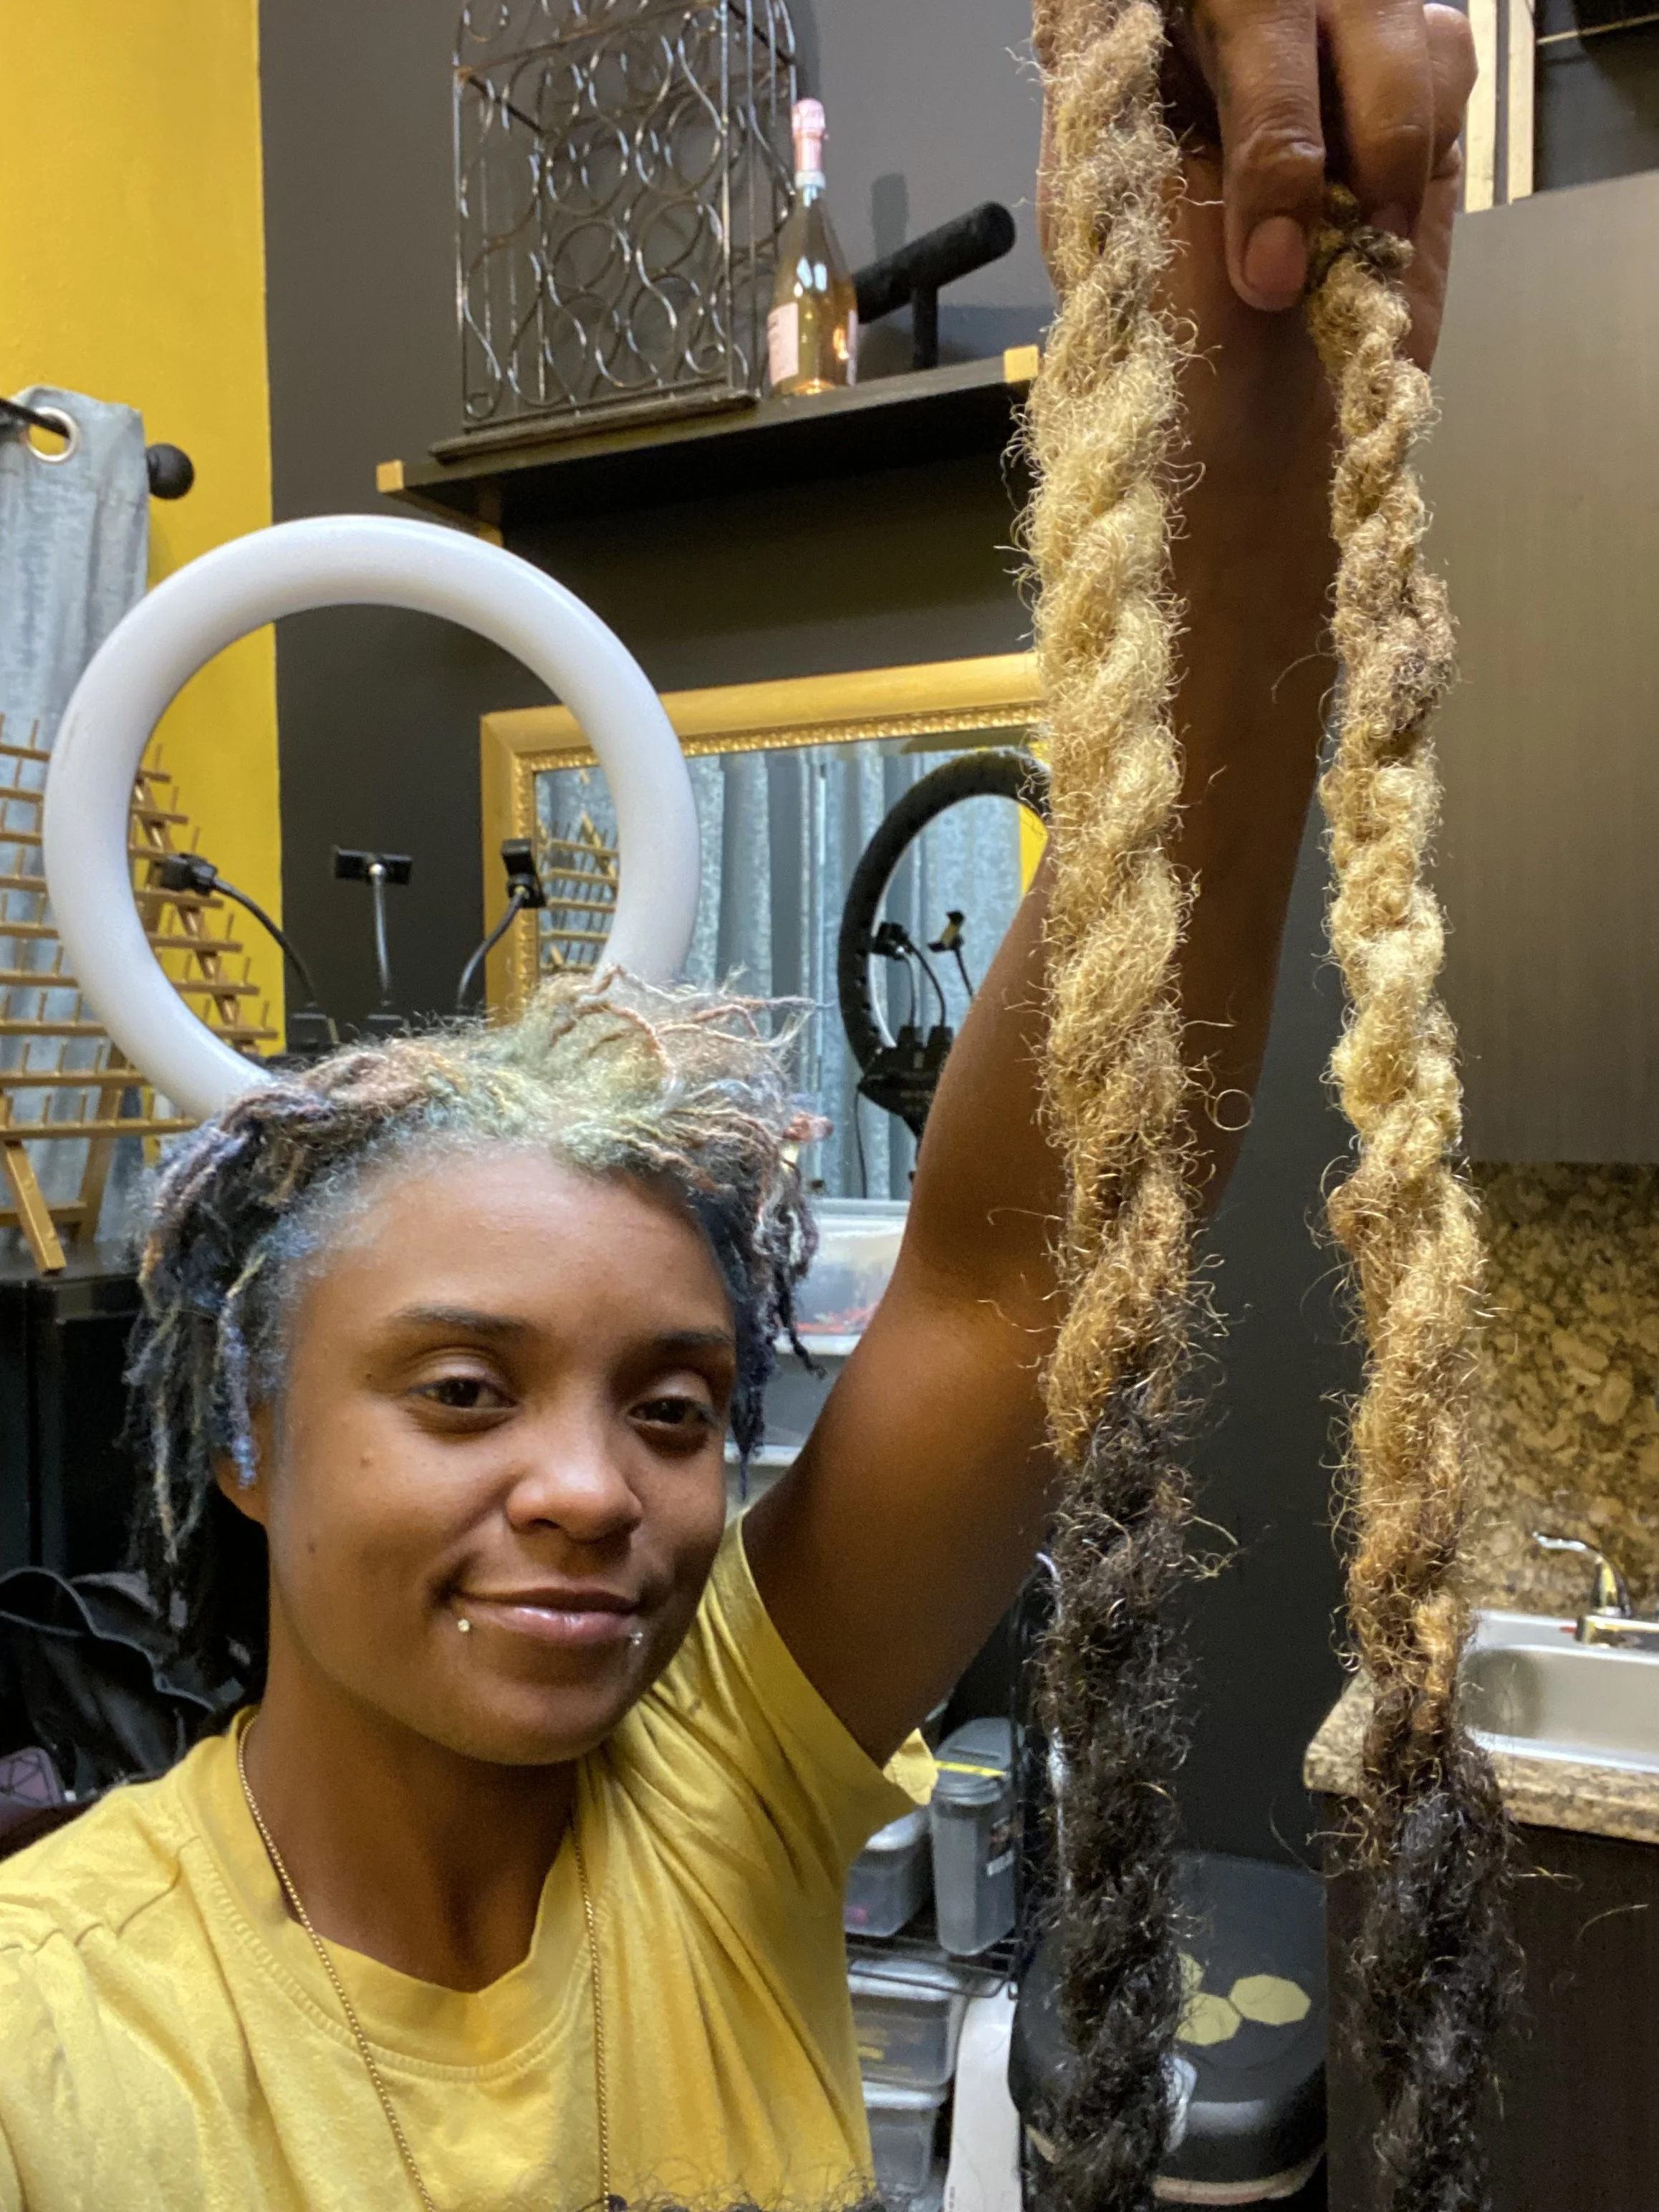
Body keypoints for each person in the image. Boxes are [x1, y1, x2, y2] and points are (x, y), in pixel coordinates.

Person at [0, 7, 1475, 2208]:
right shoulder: (56, 2033)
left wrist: (1241, 318)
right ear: (241, 1424)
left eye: (678, 1410)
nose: (596, 1490)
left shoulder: (725, 1789)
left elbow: (1019, 1253)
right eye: (467, 1387)